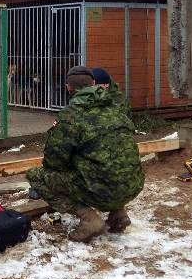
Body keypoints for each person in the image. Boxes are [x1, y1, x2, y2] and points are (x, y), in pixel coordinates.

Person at [26, 66, 144, 242]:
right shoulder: (116, 108)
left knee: (37, 176)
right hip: (133, 185)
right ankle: (118, 213)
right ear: (94, 83)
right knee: (110, 163)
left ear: (68, 87)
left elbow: (53, 162)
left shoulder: (71, 116)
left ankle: (89, 219)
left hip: (102, 191)